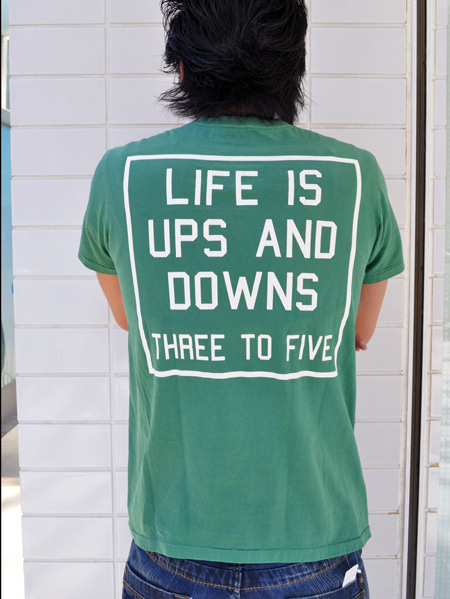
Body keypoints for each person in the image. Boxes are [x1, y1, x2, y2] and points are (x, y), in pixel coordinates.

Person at [79, 1, 404, 597]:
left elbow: (133, 318)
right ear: (293, 68)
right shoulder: (356, 175)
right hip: (313, 542)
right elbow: (357, 330)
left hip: (173, 542)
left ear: (183, 69)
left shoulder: (121, 174)